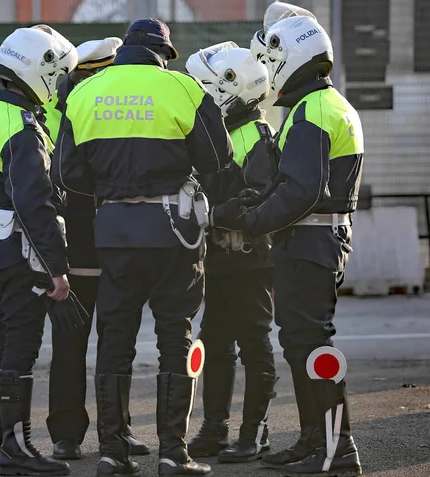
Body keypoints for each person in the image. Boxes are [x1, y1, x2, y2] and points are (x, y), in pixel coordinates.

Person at [52, 18, 232, 477]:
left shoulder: (82, 94)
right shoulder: (185, 89)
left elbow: (68, 176)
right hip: (175, 232)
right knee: (177, 337)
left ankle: (112, 453)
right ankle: (174, 453)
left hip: (113, 233)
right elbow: (218, 159)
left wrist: (113, 186)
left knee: (115, 340)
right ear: (163, 53)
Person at [212, 15, 364, 477]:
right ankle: (313, 440)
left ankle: (337, 450)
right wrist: (256, 203)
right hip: (314, 239)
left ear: (287, 56)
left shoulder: (314, 109)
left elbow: (301, 190)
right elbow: (295, 183)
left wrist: (254, 221)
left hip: (310, 240)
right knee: (300, 343)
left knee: (312, 344)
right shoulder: (322, 104)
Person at [0, 25, 85, 476]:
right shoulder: (23, 126)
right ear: (39, 70)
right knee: (22, 344)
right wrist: (56, 269)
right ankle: (19, 445)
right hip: (23, 249)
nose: (60, 83)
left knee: (5, 341)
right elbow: (34, 203)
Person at [42, 37, 149, 460]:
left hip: (99, 247)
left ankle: (109, 432)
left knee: (109, 343)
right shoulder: (69, 113)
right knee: (96, 342)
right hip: (87, 248)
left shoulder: (78, 109)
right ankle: (75, 433)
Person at [184, 42, 277, 463]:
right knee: (215, 342)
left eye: (205, 89)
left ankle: (254, 433)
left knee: (254, 344)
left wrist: (209, 214)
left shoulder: (256, 135)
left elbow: (257, 199)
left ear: (230, 88)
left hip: (249, 260)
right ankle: (214, 428)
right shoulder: (221, 133)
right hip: (219, 261)